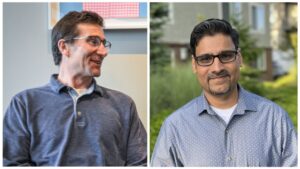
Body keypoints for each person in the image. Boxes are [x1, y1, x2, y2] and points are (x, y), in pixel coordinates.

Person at [3, 11, 147, 166]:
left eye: (104, 44)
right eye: (93, 41)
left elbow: (139, 163)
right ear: (64, 47)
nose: (103, 52)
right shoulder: (24, 103)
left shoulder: (123, 104)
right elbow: (12, 163)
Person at [151, 18, 297, 167]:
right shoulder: (175, 128)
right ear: (194, 65)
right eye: (206, 58)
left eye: (226, 56)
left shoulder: (275, 119)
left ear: (239, 58)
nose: (217, 68)